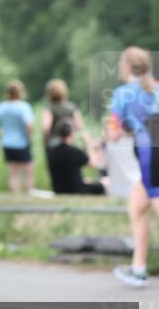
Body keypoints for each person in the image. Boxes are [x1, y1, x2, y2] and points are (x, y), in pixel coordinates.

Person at [109, 46, 158, 287]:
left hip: (151, 156)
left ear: (127, 66)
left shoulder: (122, 93)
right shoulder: (156, 87)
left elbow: (114, 133)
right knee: (137, 208)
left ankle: (139, 269)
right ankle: (138, 269)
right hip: (151, 156)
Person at [0, 80, 36, 195]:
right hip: (22, 142)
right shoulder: (23, 107)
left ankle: (15, 195)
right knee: (28, 170)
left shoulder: (1, 107)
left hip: (7, 143)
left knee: (13, 173)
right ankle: (28, 192)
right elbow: (29, 125)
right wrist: (29, 136)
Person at [47, 122, 105, 195]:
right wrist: (88, 144)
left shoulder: (52, 152)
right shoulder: (75, 152)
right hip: (76, 190)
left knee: (88, 181)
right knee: (103, 184)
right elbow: (94, 164)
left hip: (58, 190)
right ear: (72, 134)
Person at [42, 79, 84, 149]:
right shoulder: (72, 107)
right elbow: (79, 126)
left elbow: (46, 128)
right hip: (70, 143)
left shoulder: (49, 108)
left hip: (54, 144)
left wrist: (45, 140)